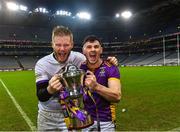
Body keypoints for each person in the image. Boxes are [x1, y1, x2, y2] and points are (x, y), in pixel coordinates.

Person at [35, 25, 118, 131]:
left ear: (72, 45)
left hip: (71, 113)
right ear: (52, 45)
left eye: (66, 45)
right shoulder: (42, 64)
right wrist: (50, 89)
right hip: (47, 116)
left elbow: (95, 60)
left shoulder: (79, 58)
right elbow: (40, 96)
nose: (62, 49)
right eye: (58, 45)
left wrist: (110, 61)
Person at [80, 35, 121, 131]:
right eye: (89, 47)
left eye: (96, 46)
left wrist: (96, 87)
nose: (93, 49)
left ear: (101, 50)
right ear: (84, 51)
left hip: (105, 121)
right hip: (86, 120)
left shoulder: (110, 67)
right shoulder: (80, 67)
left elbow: (117, 96)